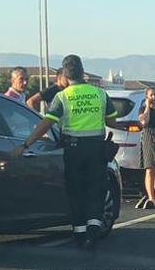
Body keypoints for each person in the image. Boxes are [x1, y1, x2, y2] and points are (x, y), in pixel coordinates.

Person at [11, 55, 118, 250]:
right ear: (82, 72)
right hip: (96, 149)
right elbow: (111, 121)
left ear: (66, 76)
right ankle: (94, 229)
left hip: (73, 150)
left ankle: (80, 233)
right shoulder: (100, 94)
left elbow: (46, 124)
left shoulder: (63, 96)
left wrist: (26, 144)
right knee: (96, 189)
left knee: (76, 191)